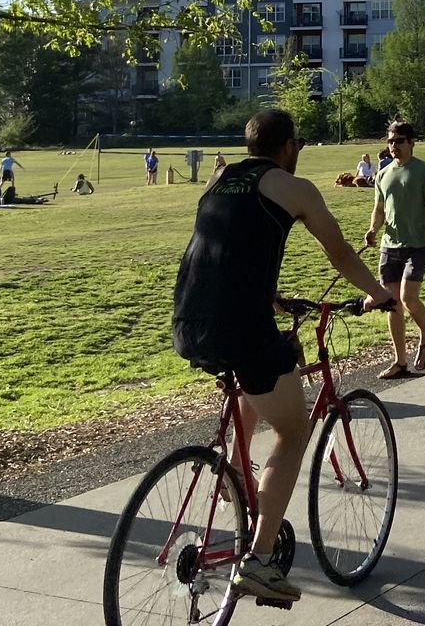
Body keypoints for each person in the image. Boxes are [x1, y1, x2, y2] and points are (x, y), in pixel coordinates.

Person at [171, 109, 394, 604]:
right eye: (299, 145)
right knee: (294, 432)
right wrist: (378, 293)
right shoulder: (294, 188)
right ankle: (261, 561)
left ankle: (233, 475)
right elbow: (339, 253)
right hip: (239, 325)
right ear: (289, 145)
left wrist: (269, 296)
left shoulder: (221, 180)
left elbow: (226, 249)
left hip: (188, 321)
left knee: (263, 373)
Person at [365, 123, 425, 379]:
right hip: (390, 246)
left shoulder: (424, 172)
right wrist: (373, 230)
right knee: (391, 303)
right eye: (390, 140)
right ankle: (400, 362)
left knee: (409, 299)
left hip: (417, 246)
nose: (394, 145)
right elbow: (379, 209)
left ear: (411, 142)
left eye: (399, 140)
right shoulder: (383, 173)